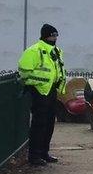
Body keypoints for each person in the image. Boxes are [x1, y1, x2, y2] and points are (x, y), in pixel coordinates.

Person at [18, 24, 66, 165]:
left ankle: (44, 153)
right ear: (46, 35)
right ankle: (34, 156)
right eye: (52, 35)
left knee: (49, 123)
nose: (55, 38)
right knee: (39, 124)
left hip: (51, 90)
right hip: (39, 91)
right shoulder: (35, 50)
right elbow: (24, 71)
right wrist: (38, 82)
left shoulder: (56, 51)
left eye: (56, 35)